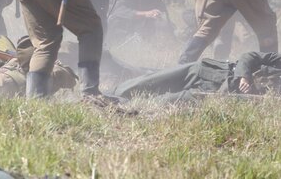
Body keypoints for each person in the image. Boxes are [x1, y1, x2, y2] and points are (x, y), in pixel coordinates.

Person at [114, 51, 281, 102]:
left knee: (159, 103)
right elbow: (249, 56)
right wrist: (244, 77)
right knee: (147, 83)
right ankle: (106, 94)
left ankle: (116, 104)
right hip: (207, 72)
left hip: (213, 95)